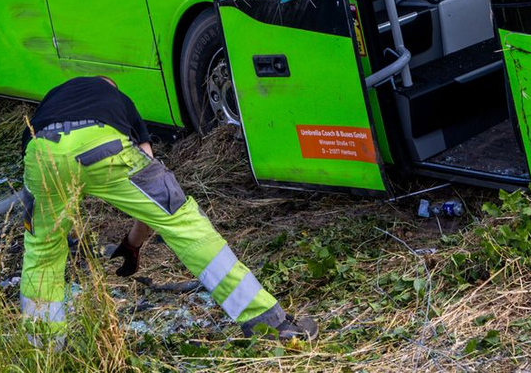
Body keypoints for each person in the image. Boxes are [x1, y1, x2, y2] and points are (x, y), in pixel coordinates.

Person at [18, 75, 317, 347]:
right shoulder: (118, 99)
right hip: (102, 143)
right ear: (110, 86)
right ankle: (269, 323)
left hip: (41, 153)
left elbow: (30, 156)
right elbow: (149, 172)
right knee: (183, 223)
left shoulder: (53, 96)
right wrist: (134, 243)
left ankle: (45, 350)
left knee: (42, 250)